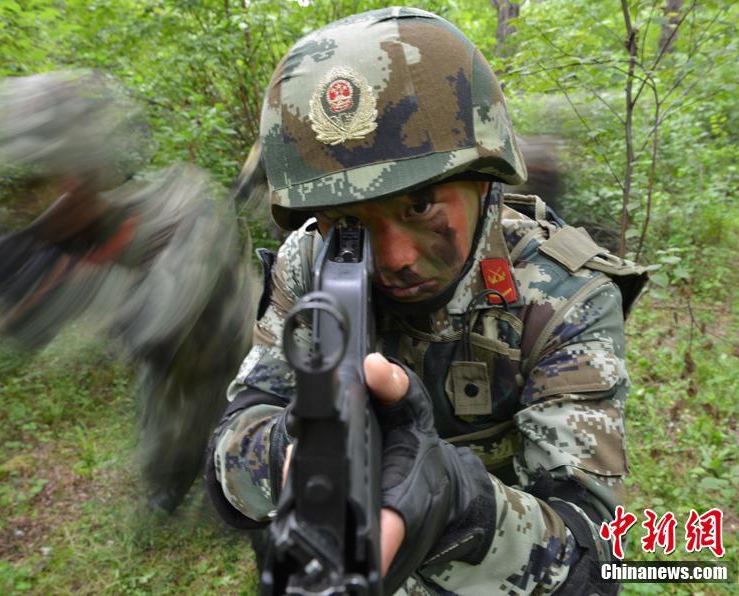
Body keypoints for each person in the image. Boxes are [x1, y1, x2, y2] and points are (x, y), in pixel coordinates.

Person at [205, 7, 647, 594]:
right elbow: (230, 453)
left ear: (484, 179)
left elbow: (594, 558)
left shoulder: (565, 297)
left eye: (420, 206)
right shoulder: (309, 263)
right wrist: (287, 446)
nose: (395, 258)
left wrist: (462, 509)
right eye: (346, 220)